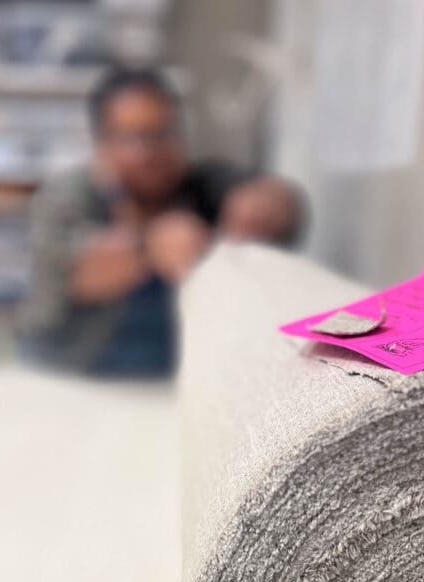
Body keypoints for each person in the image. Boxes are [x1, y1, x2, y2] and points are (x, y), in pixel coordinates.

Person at [23, 66, 303, 376]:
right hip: (73, 377)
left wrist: (268, 206)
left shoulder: (202, 185)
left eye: (161, 134)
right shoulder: (70, 195)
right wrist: (149, 247)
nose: (148, 153)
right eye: (131, 137)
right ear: (101, 143)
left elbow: (275, 201)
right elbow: (72, 272)